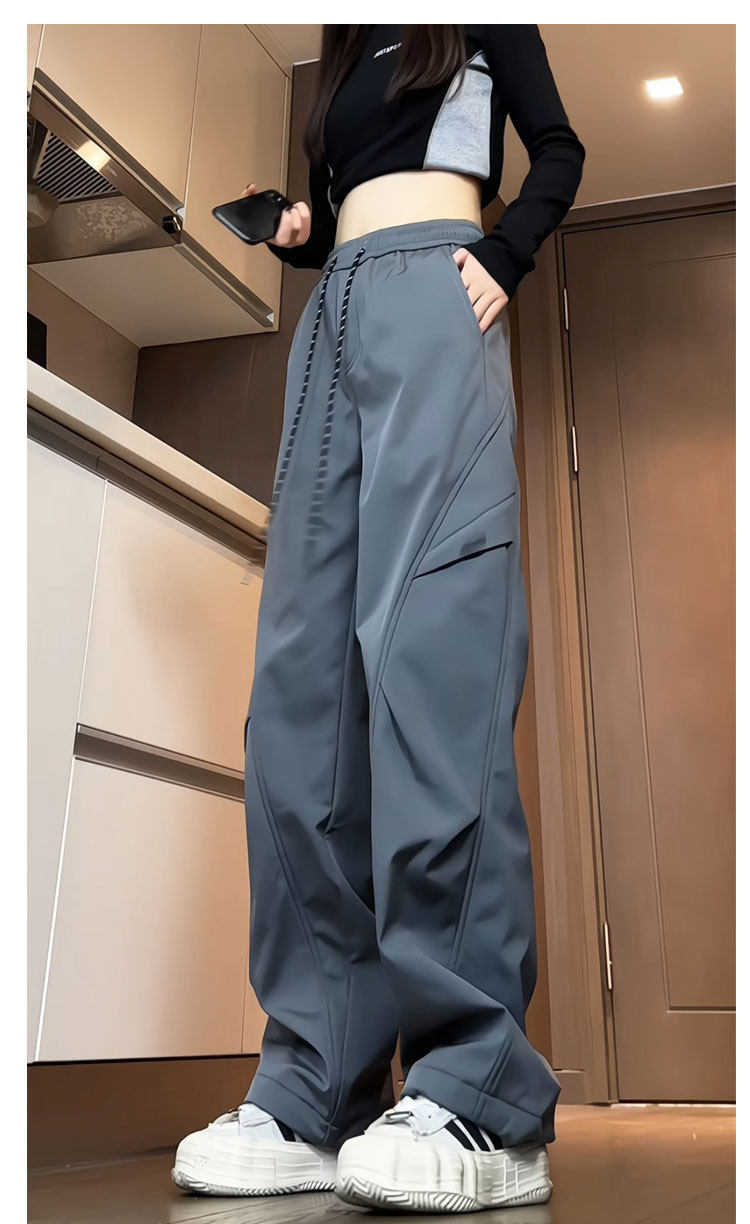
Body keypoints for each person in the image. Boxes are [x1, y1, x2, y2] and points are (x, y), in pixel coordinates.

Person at [173, 23, 584, 1214]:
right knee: (300, 699)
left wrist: (505, 253)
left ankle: (477, 1086)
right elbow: (337, 202)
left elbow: (558, 149)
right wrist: (299, 231)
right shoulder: (343, 55)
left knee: (430, 661)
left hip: (437, 294)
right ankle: (320, 1082)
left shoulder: (483, 20)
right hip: (336, 316)